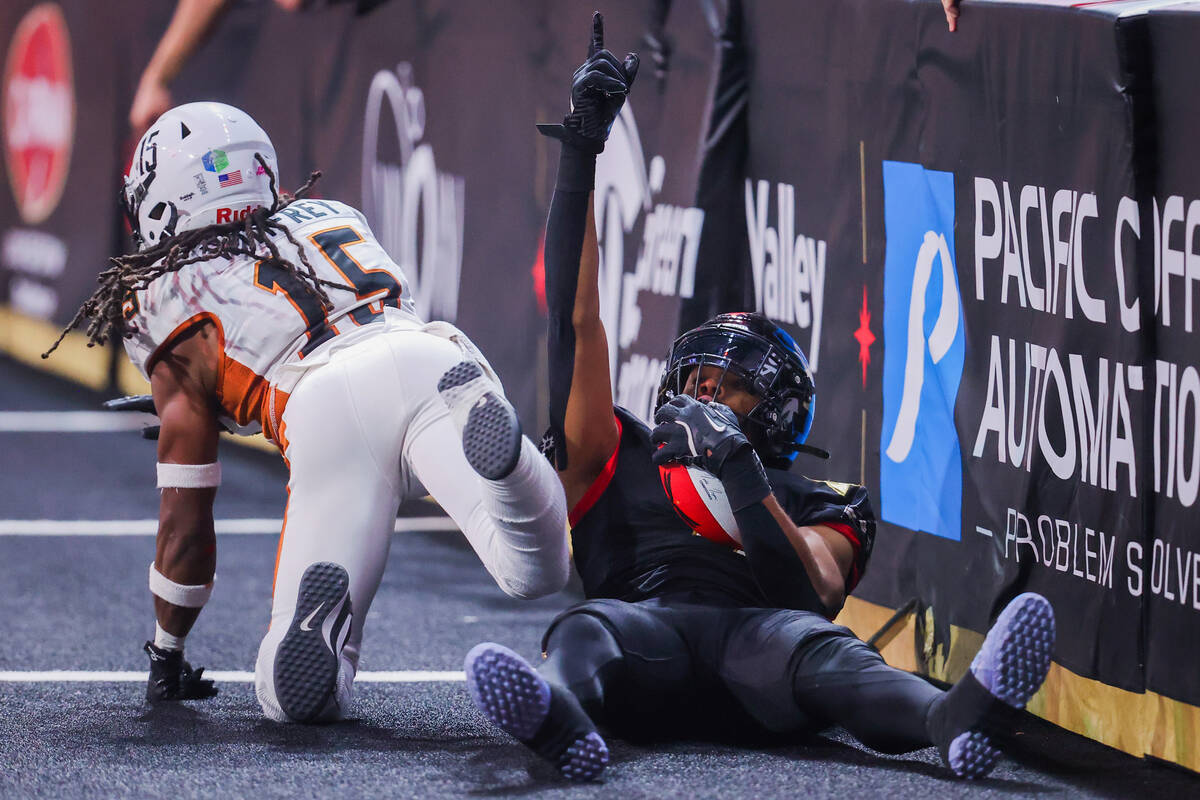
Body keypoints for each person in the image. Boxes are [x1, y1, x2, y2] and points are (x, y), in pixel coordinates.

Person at [462, 12, 1054, 782]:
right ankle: (560, 718)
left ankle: (957, 721)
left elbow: (807, 592)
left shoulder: (823, 500)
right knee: (584, 632)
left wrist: (741, 474)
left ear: (772, 411)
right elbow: (574, 320)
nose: (702, 394)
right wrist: (580, 152)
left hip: (766, 653)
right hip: (645, 635)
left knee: (836, 657)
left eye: (727, 386)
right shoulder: (619, 451)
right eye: (694, 380)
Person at [44, 101, 569, 721]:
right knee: (536, 571)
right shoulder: (331, 214)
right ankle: (506, 468)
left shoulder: (166, 299)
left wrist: (168, 648)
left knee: (290, 700)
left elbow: (184, 520)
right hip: (428, 359)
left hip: (326, 408)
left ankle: (321, 647)